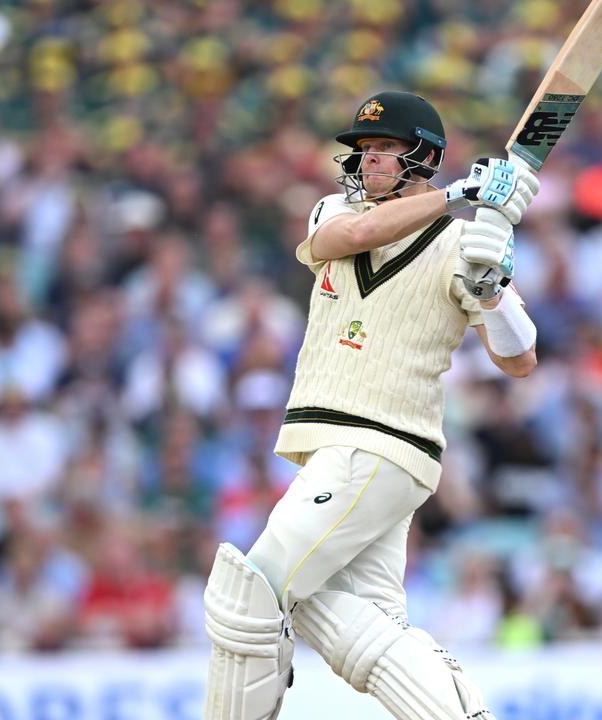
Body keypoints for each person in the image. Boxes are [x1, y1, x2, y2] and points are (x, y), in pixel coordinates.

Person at [201, 91, 539, 719]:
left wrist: (490, 290)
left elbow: (520, 359)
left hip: (376, 443)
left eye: (385, 148)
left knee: (251, 592)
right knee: (366, 628)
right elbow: (353, 234)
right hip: (350, 452)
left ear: (424, 156)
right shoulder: (335, 210)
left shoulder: (463, 246)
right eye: (364, 149)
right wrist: (461, 194)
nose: (369, 160)